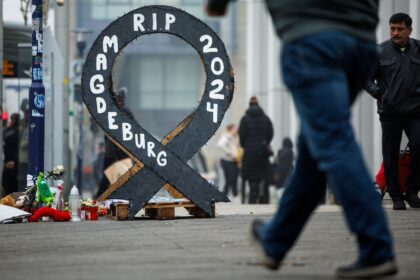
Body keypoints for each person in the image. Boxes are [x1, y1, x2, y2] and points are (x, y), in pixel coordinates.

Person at [206, 0, 397, 278]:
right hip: (360, 41)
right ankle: (275, 242)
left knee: (333, 141)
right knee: (313, 153)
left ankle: (376, 246)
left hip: (313, 39)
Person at [366, 13, 420, 210]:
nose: (395, 32)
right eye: (392, 28)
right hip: (390, 112)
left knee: (419, 145)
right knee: (389, 154)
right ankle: (396, 195)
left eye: (399, 29)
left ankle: (412, 192)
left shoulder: (419, 49)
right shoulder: (380, 51)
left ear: (409, 30)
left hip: (416, 111)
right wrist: (380, 94)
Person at [96, 87, 134, 198]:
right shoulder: (126, 112)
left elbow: (106, 131)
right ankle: (122, 194)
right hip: (121, 150)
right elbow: (134, 129)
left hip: (113, 150)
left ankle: (102, 195)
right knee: (124, 174)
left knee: (108, 174)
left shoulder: (112, 111)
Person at [239, 96, 273, 204]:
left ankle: (252, 194)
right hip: (262, 152)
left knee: (250, 174)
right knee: (262, 173)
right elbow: (271, 133)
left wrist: (245, 145)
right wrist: (265, 142)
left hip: (249, 151)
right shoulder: (266, 118)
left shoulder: (244, 119)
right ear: (258, 104)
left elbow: (242, 136)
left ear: (249, 105)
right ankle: (261, 193)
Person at [217, 124, 240, 197]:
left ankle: (234, 194)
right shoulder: (227, 136)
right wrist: (228, 151)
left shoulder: (236, 137)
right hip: (227, 161)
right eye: (234, 129)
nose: (236, 130)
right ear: (230, 129)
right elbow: (220, 145)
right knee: (229, 179)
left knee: (234, 179)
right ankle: (225, 194)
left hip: (235, 160)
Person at [2, 113, 20, 195]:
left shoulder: (15, 132)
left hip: (15, 165)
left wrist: (15, 162)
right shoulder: (12, 131)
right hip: (8, 163)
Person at [18, 98, 29, 192]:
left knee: (24, 181)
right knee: (22, 180)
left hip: (26, 159)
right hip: (21, 159)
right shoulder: (21, 123)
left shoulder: (29, 124)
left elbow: (25, 142)